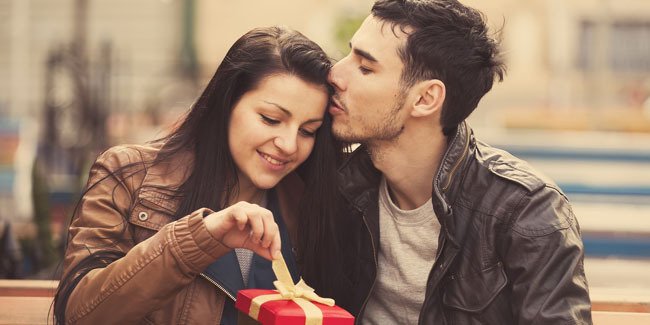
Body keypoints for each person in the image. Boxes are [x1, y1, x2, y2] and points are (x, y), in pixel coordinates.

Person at [317, 0, 592, 324]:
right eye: (349, 54)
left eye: (365, 67)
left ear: (425, 99)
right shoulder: (338, 186)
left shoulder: (526, 212)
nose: (334, 73)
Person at [53, 26, 344, 325]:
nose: (289, 145)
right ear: (227, 103)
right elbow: (79, 314)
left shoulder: (313, 207)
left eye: (308, 131)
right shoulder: (129, 175)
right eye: (271, 119)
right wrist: (199, 238)